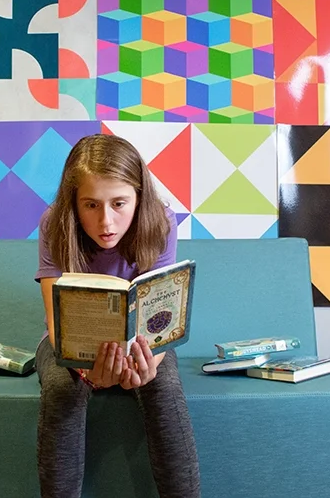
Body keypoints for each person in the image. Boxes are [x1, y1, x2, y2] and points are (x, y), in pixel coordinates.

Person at [33, 133, 201, 498]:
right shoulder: (54, 224)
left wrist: (147, 365)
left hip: (140, 342)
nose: (106, 221)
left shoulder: (162, 222)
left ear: (139, 197)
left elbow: (161, 314)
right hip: (70, 343)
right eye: (90, 205)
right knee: (62, 389)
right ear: (73, 203)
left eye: (119, 203)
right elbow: (54, 320)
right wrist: (85, 370)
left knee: (164, 386)